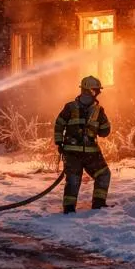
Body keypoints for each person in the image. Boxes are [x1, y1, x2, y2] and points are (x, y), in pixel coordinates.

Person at [54, 75, 112, 214]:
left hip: (90, 153)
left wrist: (102, 122)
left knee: (103, 174)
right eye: (95, 90)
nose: (97, 93)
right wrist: (59, 142)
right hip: (74, 153)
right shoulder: (70, 107)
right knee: (73, 179)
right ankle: (69, 209)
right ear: (89, 90)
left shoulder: (98, 110)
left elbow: (104, 132)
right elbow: (59, 124)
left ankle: (98, 204)